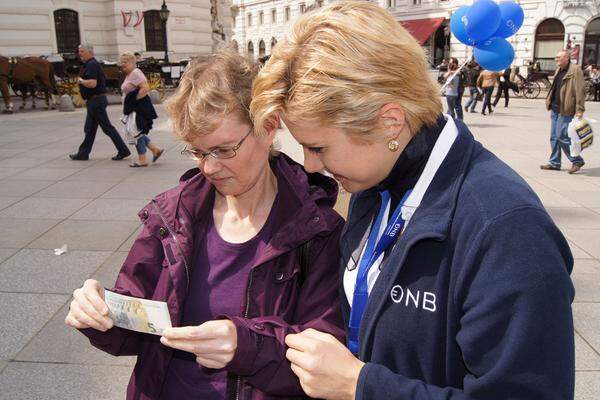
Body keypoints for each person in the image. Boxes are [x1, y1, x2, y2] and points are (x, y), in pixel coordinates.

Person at [250, 2, 575, 399]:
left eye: (318, 147)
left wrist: (361, 386)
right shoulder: (375, 184)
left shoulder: (507, 228)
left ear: (390, 121)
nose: (311, 165)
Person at [65, 49, 345, 400]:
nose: (209, 168)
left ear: (268, 126)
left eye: (224, 150)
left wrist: (246, 347)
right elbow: (135, 326)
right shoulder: (171, 215)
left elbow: (327, 361)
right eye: (197, 152)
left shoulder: (316, 230)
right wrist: (101, 314)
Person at [69, 43, 131, 161]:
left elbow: (93, 83)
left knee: (107, 128)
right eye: (79, 51)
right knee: (90, 128)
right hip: (94, 101)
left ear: (89, 52)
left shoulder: (92, 65)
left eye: (81, 51)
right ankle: (83, 153)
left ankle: (123, 150)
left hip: (96, 101)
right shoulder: (90, 64)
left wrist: (81, 81)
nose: (79, 54)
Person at [540, 49, 586, 174]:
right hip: (555, 108)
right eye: (556, 58)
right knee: (554, 137)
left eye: (558, 58)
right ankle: (555, 163)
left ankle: (577, 160)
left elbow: (580, 90)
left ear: (567, 58)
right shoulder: (558, 70)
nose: (556, 60)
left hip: (566, 109)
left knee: (562, 136)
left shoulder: (575, 70)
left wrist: (579, 109)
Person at [118, 53, 164, 167]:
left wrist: (133, 102)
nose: (123, 64)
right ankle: (155, 150)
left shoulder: (135, 73)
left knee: (135, 133)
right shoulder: (129, 74)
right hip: (133, 109)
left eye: (125, 62)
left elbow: (145, 88)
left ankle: (142, 159)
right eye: (122, 61)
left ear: (133, 63)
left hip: (137, 109)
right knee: (137, 132)